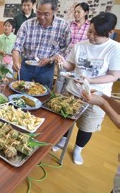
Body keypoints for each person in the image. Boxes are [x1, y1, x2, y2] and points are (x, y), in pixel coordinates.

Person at [52, 12, 120, 165]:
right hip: (73, 91)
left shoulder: (115, 48)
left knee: (87, 125)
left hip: (97, 95)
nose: (91, 36)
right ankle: (62, 141)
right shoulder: (80, 46)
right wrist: (62, 63)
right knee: (65, 120)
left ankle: (77, 149)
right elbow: (71, 66)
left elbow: (114, 75)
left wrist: (90, 80)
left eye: (96, 35)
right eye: (90, 31)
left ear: (109, 33)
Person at [12, 0, 71, 89]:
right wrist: (15, 61)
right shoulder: (27, 25)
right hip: (26, 66)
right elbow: (17, 46)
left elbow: (65, 49)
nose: (42, 17)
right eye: (39, 13)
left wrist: (51, 59)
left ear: (55, 10)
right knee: (20, 91)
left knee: (44, 93)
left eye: (46, 14)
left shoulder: (63, 27)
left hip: (47, 69)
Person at [55, 2, 90, 93]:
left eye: (78, 12)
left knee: (71, 81)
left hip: (79, 60)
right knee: (60, 78)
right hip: (66, 57)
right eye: (75, 12)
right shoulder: (69, 25)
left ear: (86, 12)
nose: (76, 14)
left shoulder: (89, 27)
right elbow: (61, 40)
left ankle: (64, 99)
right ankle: (55, 97)